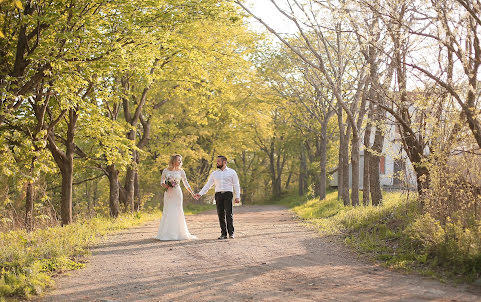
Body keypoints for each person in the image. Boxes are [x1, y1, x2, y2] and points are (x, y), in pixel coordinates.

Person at [194, 155, 241, 239]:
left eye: (219, 161)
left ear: (224, 162)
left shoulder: (232, 172)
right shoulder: (214, 173)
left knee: (228, 214)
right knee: (220, 214)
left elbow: (236, 184)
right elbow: (208, 185)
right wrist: (200, 193)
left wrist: (237, 196)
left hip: (228, 194)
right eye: (217, 161)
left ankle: (231, 233)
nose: (217, 162)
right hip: (218, 195)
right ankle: (223, 234)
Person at [154, 154, 197, 241]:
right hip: (168, 193)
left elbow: (186, 184)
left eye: (180, 160)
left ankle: (178, 233)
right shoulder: (166, 170)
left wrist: (192, 193)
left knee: (178, 211)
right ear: (173, 160)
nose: (180, 162)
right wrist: (165, 185)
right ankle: (166, 233)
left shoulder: (181, 171)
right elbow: (161, 181)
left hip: (177, 193)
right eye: (178, 160)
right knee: (168, 210)